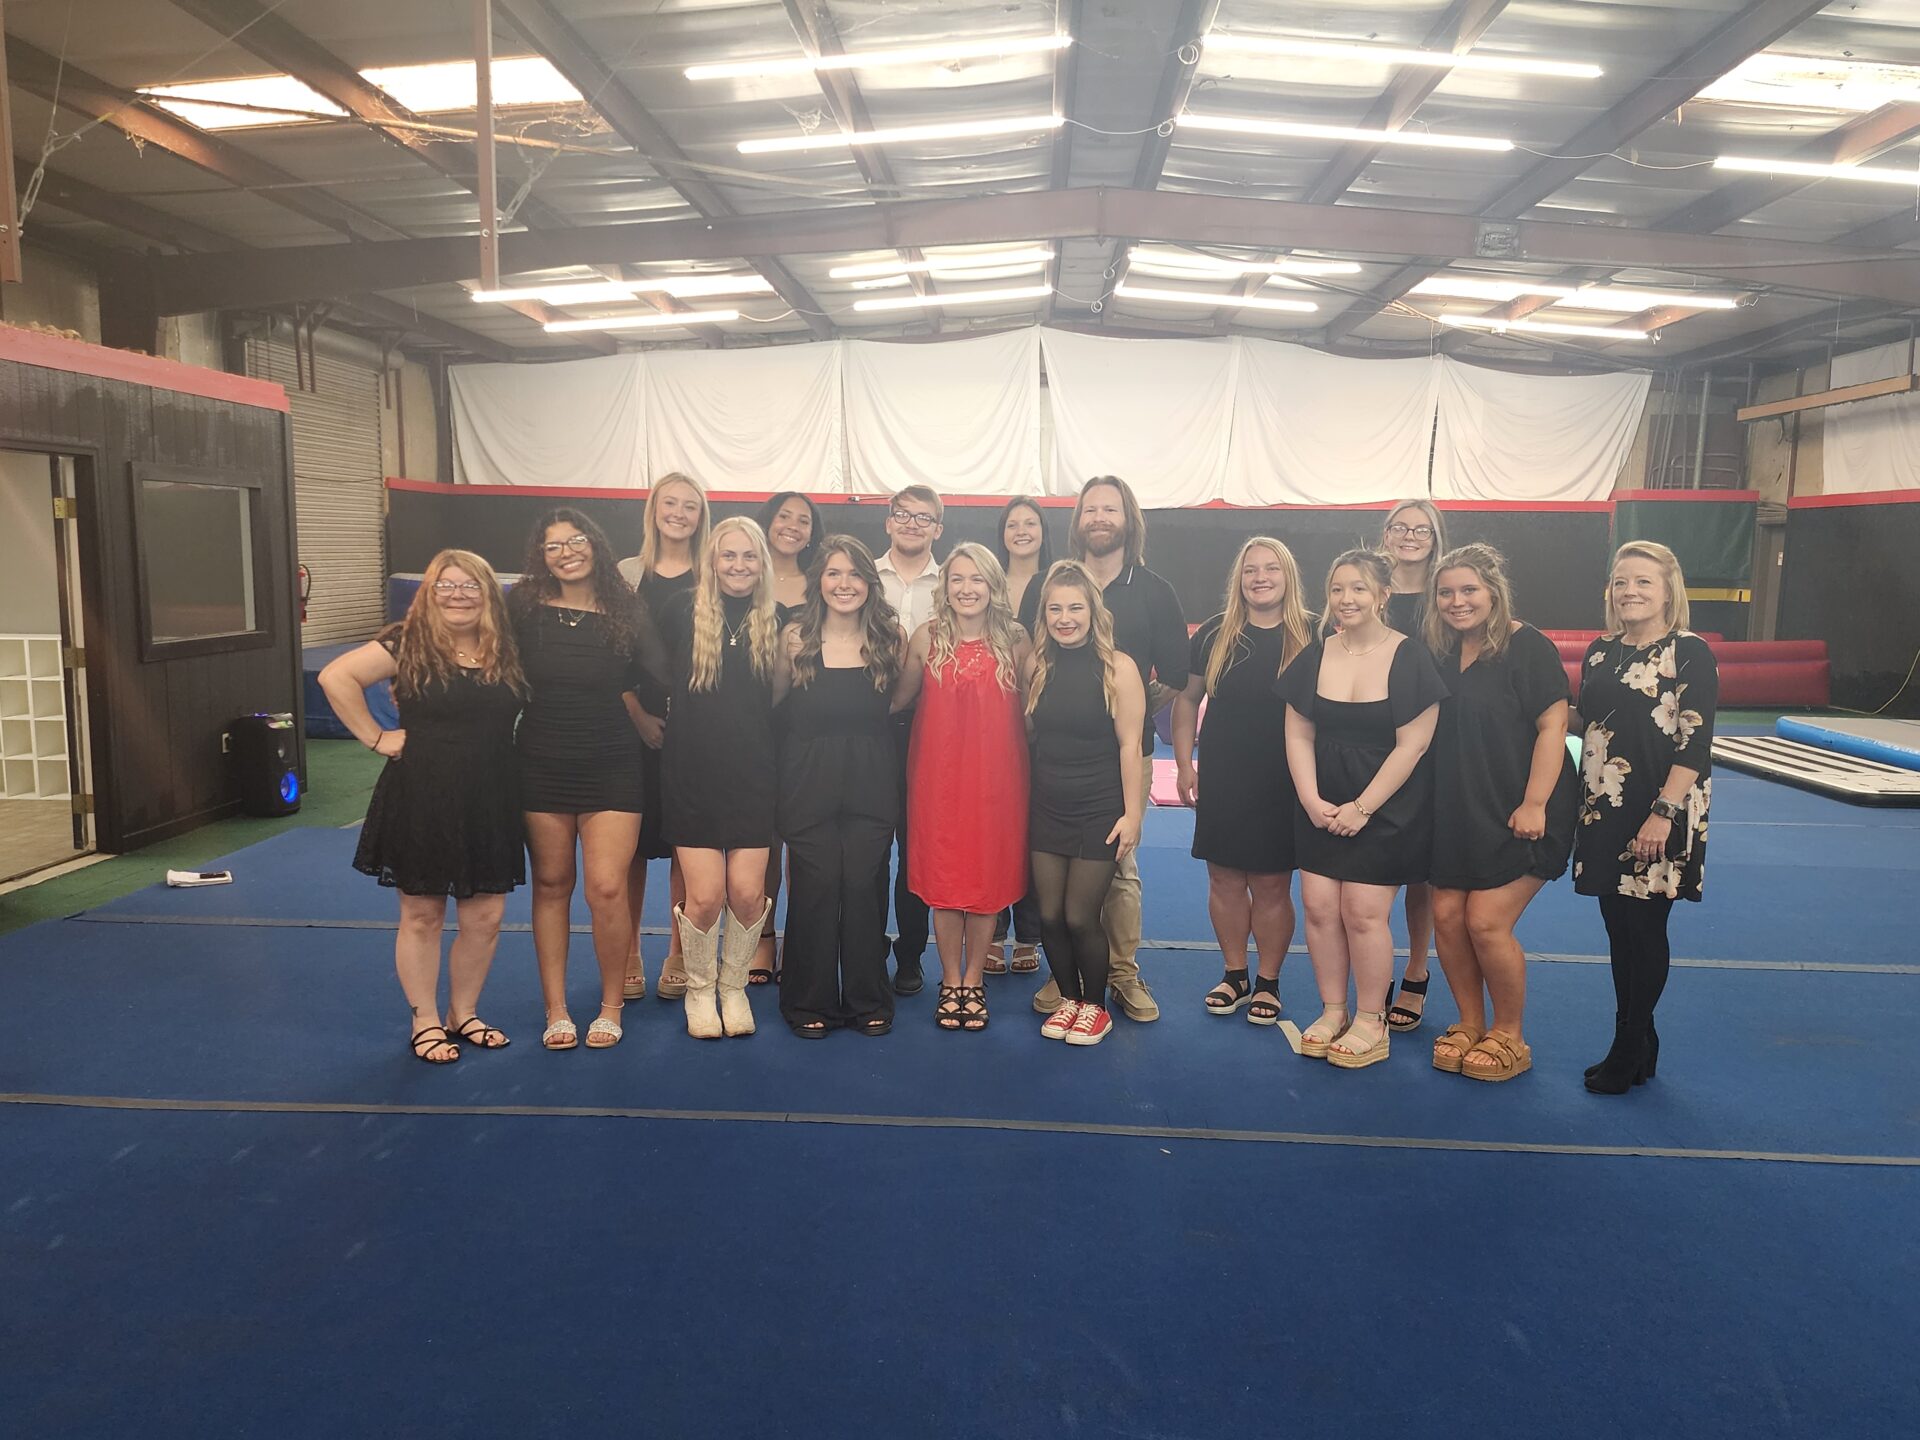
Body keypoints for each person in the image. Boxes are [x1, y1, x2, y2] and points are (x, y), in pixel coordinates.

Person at [321, 550, 526, 1064]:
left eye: (470, 586)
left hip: (491, 793)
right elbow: (336, 677)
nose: (458, 596)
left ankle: (464, 1012)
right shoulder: (407, 643)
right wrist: (376, 737)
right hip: (423, 793)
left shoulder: (507, 647)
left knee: (486, 915)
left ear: (488, 594)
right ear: (429, 593)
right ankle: (425, 1019)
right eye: (446, 586)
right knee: (422, 913)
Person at [1020, 476, 1187, 1024]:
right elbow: (1026, 688)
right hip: (1054, 779)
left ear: (1127, 519)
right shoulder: (1046, 592)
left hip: (1116, 764)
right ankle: (1067, 981)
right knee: (1058, 907)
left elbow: (1176, 675)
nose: (1099, 517)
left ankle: (1119, 975)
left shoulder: (1153, 591)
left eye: (1109, 509)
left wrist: (1120, 703)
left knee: (1115, 877)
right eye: (1089, 509)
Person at [1276, 549, 1448, 1070]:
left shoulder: (1409, 657)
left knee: (1363, 912)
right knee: (1319, 907)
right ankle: (1334, 1010)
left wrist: (1364, 807)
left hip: (1386, 803)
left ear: (1382, 595)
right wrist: (1310, 798)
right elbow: (1298, 733)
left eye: (1357, 589)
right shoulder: (1316, 654)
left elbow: (1413, 745)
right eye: (1337, 589)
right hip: (1323, 801)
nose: (1346, 599)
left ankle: (1372, 1019)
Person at [1423, 544, 1579, 1083]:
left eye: (1469, 590)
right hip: (1460, 806)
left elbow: (1553, 727)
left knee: (1486, 922)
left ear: (1493, 591)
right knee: (1447, 917)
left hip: (1521, 807)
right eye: (1446, 592)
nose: (1457, 601)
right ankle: (1470, 1022)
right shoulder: (1441, 650)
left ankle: (1509, 1033)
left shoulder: (1528, 646)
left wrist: (1534, 802)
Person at [512, 508, 663, 1051]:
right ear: (541, 556)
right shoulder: (522, 606)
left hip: (612, 759)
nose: (566, 552)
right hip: (542, 759)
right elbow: (482, 656)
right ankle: (555, 1008)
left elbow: (665, 672)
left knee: (606, 886)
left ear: (595, 544)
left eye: (575, 540)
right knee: (552, 883)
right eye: (553, 545)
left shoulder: (626, 607)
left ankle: (610, 1004)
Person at [1573, 541, 1717, 1095]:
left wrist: (1661, 814)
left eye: (1642, 582)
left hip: (1660, 804)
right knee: (1617, 925)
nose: (1628, 591)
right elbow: (1586, 720)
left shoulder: (1689, 651)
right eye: (1621, 581)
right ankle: (1639, 1040)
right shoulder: (1601, 651)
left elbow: (1695, 742)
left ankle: (1628, 1043)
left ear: (1668, 591)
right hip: (1605, 802)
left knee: (1645, 926)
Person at [657, 516, 791, 1040]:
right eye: (728, 555)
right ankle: (699, 988)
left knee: (748, 893)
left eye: (748, 556)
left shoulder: (778, 620)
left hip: (754, 775)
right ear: (711, 561)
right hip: (692, 774)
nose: (738, 565)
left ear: (763, 563)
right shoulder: (680, 611)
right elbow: (648, 675)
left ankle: (733, 988)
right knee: (707, 896)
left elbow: (779, 700)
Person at [1173, 538, 1315, 1026]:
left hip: (1285, 777)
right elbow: (1187, 700)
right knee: (1225, 878)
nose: (1260, 578)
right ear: (1239, 578)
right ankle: (1235, 973)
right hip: (1225, 773)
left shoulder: (1314, 633)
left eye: (1271, 568)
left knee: (1272, 883)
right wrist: (1185, 764)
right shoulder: (1215, 633)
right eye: (1251, 569)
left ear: (1288, 576)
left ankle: (1268, 980)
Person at [893, 543, 1031, 1033]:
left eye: (977, 579)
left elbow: (1037, 707)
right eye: (957, 579)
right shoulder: (926, 638)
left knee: (987, 884)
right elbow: (896, 701)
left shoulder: (1016, 639)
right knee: (946, 884)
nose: (967, 589)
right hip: (939, 780)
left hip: (999, 781)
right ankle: (950, 980)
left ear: (993, 586)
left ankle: (974, 979)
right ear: (945, 586)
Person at [776, 536, 906, 1038]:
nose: (844, 584)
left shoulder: (890, 638)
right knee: (817, 884)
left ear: (870, 582)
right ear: (819, 581)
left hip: (872, 779)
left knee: (863, 885)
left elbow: (898, 703)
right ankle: (808, 999)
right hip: (808, 780)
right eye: (834, 573)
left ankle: (868, 997)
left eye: (854, 573)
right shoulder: (795, 638)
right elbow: (774, 703)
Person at [1023, 562, 1145, 1047]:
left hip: (1098, 807)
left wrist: (1132, 815)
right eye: (1055, 609)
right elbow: (1027, 733)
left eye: (1075, 608)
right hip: (1047, 806)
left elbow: (1130, 745)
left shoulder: (1119, 668)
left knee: (1079, 915)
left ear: (1094, 611)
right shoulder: (1037, 665)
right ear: (1044, 615)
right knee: (1049, 916)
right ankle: (1070, 1000)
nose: (1065, 618)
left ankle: (1095, 1005)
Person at [618, 472, 709, 1005]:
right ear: (653, 509)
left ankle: (678, 951)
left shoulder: (711, 575)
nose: (678, 513)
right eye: (669, 503)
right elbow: (608, 653)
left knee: (684, 845)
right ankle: (627, 950)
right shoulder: (626, 574)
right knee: (627, 848)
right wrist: (634, 711)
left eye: (689, 506)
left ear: (701, 517)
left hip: (692, 730)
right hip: (631, 726)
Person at [1380, 498, 1448, 1035]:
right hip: (1373, 740)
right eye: (1401, 527)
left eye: (1421, 529)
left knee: (1422, 872)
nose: (1410, 536)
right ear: (1386, 534)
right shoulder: (1370, 588)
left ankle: (1417, 970)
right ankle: (1374, 970)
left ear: (1435, 537)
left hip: (1435, 742)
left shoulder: (1445, 595)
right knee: (1374, 871)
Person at [876, 484, 946, 996]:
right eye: (903, 514)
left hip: (931, 733)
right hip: (870, 729)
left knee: (917, 850)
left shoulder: (953, 584)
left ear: (937, 529)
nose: (912, 524)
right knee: (870, 849)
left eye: (923, 518)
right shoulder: (862, 576)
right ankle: (867, 944)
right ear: (888, 521)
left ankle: (910, 955)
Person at [752, 490, 824, 985]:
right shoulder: (744, 574)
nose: (793, 526)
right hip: (753, 720)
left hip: (807, 724)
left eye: (804, 520)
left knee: (804, 837)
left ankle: (801, 936)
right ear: (768, 521)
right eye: (785, 516)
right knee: (763, 839)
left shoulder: (821, 584)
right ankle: (761, 936)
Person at [987, 495, 1054, 975]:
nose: (1022, 530)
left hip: (1040, 723)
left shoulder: (1056, 582)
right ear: (1002, 533)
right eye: (1013, 523)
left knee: (1032, 832)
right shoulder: (984, 581)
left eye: (1031, 522)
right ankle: (991, 928)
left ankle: (1029, 933)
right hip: (985, 723)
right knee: (990, 830)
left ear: (1044, 531)